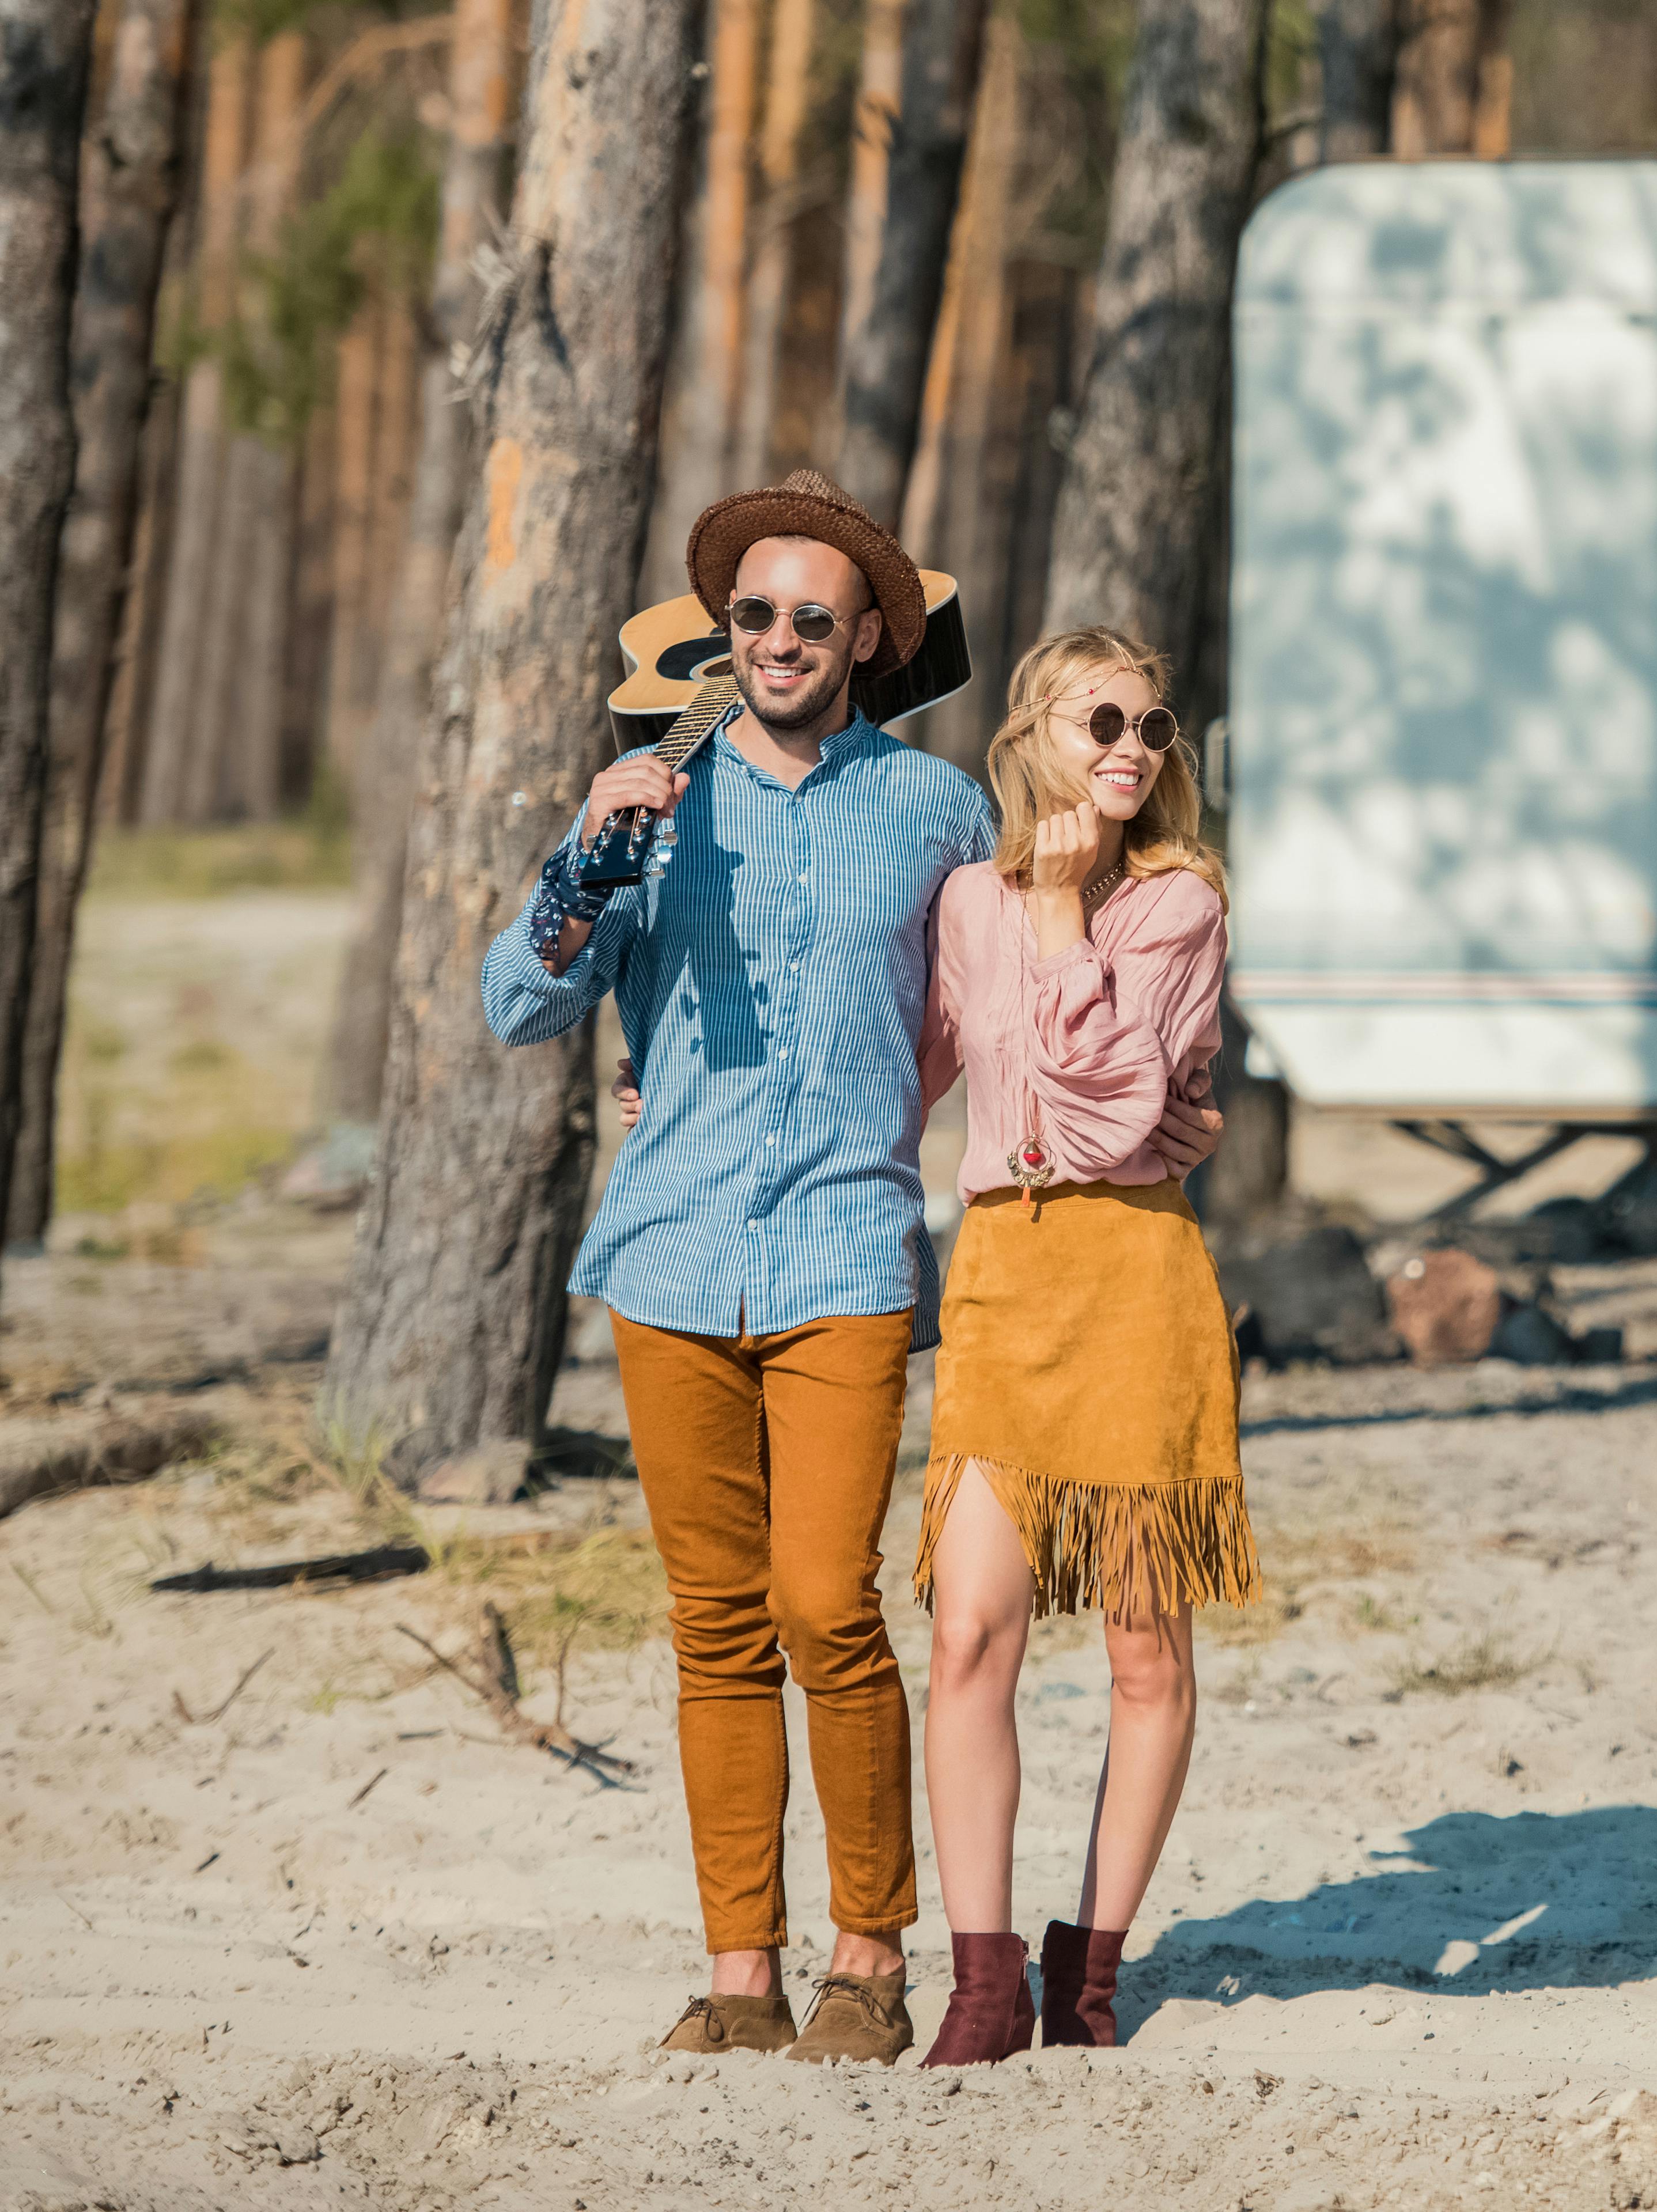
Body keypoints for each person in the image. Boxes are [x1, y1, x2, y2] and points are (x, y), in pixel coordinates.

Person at [483, 474, 1221, 2068]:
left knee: (830, 1604)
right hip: (670, 1252)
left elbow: (989, 1006)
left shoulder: (939, 813)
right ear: (720, 632)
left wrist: (1170, 1099)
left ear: (867, 637)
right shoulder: (645, 798)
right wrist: (586, 876)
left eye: (813, 617)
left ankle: (871, 1957)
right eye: (751, 614)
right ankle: (740, 1975)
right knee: (714, 1628)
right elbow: (519, 1007)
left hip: (845, 1251)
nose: (779, 640)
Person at [912, 626, 1258, 2065]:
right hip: (1003, 1272)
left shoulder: (1179, 906)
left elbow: (1118, 1126)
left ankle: (1094, 1972)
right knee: (969, 1631)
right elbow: (903, 1061)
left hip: (1135, 1282)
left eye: (1154, 725)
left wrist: (1065, 921)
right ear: (1030, 735)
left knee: (1141, 1654)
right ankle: (985, 1981)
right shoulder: (964, 904)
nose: (1131, 746)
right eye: (1100, 718)